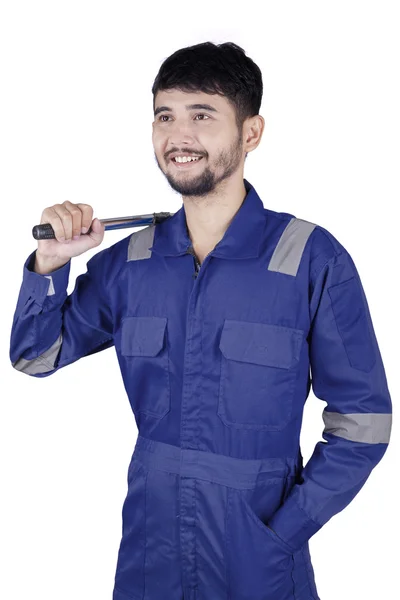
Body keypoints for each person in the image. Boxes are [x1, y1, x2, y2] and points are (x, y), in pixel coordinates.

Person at [10, 41, 392, 600]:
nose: (178, 135)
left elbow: (364, 422)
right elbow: (34, 357)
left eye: (202, 115)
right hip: (150, 551)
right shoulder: (130, 261)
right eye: (165, 115)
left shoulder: (310, 258)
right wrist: (50, 266)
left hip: (257, 557)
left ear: (251, 133)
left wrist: (283, 533)